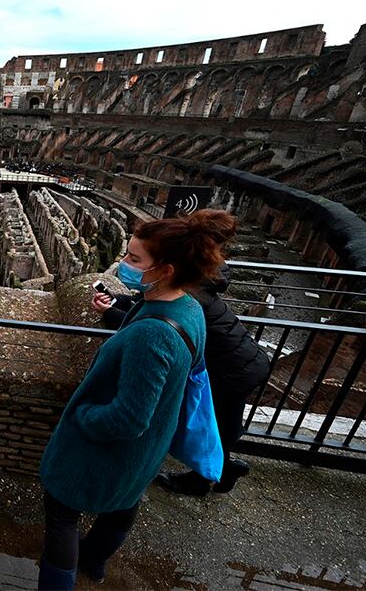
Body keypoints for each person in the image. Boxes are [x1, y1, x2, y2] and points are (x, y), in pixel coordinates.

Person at [37, 209, 236, 590]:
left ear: (165, 270)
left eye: (133, 258)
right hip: (147, 449)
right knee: (123, 503)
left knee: (62, 514)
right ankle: (93, 562)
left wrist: (83, 415)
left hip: (106, 447)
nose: (123, 264)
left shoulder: (153, 336)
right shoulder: (188, 308)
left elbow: (128, 418)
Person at [92, 260, 270, 496]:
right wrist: (118, 300)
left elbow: (153, 327)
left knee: (208, 425)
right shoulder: (191, 284)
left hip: (230, 370)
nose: (128, 264)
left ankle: (199, 482)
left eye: (135, 259)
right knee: (218, 423)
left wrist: (110, 313)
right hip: (242, 362)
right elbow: (147, 303)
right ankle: (226, 469)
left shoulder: (189, 298)